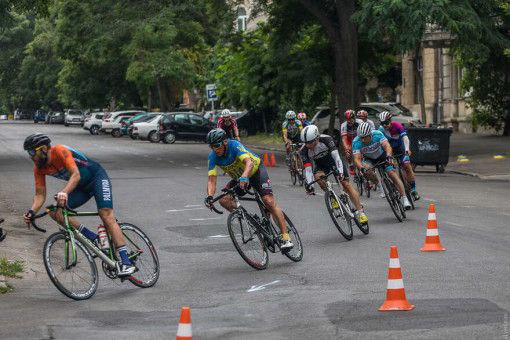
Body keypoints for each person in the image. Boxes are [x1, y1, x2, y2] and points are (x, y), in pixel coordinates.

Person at [22, 133, 136, 277]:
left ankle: (126, 262)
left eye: (32, 152)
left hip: (96, 178)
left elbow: (75, 174)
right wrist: (31, 211)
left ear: (44, 148)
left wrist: (64, 192)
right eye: (28, 152)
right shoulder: (39, 168)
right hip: (81, 188)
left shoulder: (60, 151)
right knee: (54, 211)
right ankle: (94, 238)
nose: (30, 156)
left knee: (106, 215)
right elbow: (40, 195)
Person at [204, 128, 294, 251]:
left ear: (225, 142)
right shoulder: (213, 157)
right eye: (212, 147)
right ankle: (249, 220)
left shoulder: (234, 145)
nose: (215, 149)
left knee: (268, 201)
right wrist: (209, 196)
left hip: (255, 171)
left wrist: (245, 177)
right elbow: (211, 180)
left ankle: (286, 237)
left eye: (217, 145)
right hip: (239, 179)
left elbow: (249, 163)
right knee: (224, 200)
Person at [301, 125, 368, 225]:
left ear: (317, 138)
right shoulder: (303, 151)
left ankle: (360, 212)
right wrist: (310, 185)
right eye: (306, 143)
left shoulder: (327, 139)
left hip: (334, 162)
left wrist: (340, 173)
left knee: (346, 184)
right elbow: (308, 170)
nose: (308, 145)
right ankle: (332, 197)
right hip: (321, 166)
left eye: (310, 142)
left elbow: (337, 158)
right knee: (318, 178)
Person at [352, 123, 412, 210]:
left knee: (392, 173)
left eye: (365, 137)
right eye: (361, 137)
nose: (363, 140)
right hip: (369, 159)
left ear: (370, 134)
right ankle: (379, 184)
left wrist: (389, 156)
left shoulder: (377, 134)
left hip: (382, 155)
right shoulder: (356, 142)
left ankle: (405, 198)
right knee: (366, 170)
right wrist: (361, 167)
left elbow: (387, 146)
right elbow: (357, 159)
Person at [377, 111, 420, 200]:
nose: (385, 125)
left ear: (390, 120)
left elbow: (405, 138)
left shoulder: (397, 125)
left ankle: (413, 190)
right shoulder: (380, 130)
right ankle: (396, 187)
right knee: (391, 171)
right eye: (382, 123)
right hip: (390, 151)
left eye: (386, 123)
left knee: (407, 166)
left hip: (401, 148)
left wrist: (407, 149)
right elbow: (379, 144)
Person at [340, 109, 362, 176]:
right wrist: (347, 148)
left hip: (359, 138)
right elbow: (344, 139)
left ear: (354, 117)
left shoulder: (360, 122)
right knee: (347, 151)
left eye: (351, 119)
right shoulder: (344, 125)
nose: (349, 121)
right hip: (349, 140)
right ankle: (351, 164)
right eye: (347, 119)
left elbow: (364, 134)